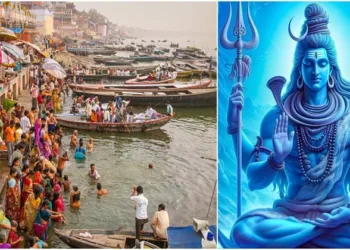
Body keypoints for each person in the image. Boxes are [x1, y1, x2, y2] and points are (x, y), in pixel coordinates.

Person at [227, 3, 350, 248]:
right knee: (243, 230)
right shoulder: (279, 117)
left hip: (339, 214)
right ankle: (316, 233)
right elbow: (254, 179)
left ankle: (307, 236)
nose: (315, 71)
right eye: (309, 63)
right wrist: (276, 158)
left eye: (322, 63)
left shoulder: (347, 117)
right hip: (291, 215)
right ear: (300, 69)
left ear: (332, 70)